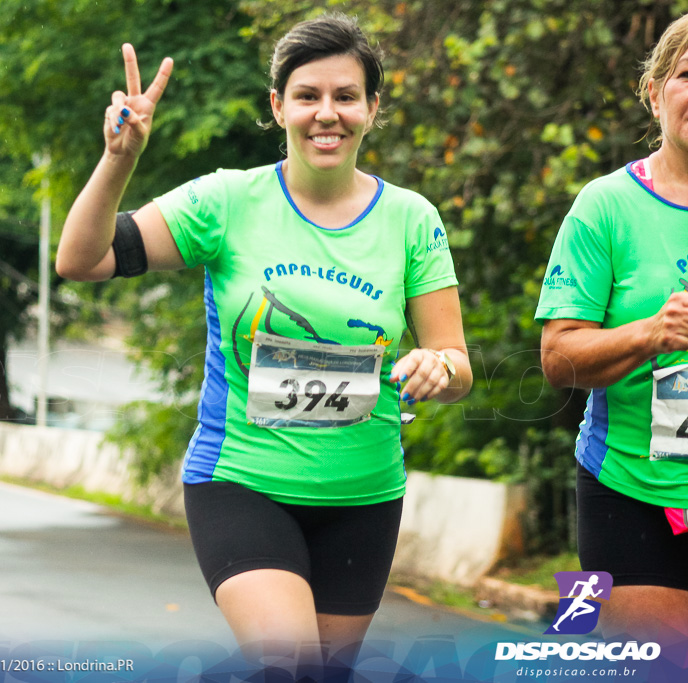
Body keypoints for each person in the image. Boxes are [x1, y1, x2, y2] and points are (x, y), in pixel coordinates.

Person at [57, 14, 472, 665]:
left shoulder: (411, 219)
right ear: (278, 105)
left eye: (345, 95)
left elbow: (457, 361)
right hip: (241, 483)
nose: (326, 113)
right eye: (307, 95)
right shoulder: (227, 201)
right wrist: (118, 160)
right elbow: (84, 259)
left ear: (372, 108)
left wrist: (437, 368)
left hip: (364, 496)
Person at [537, 14, 688, 643]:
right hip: (631, 491)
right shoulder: (606, 206)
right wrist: (652, 333)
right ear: (655, 93)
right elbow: (557, 359)